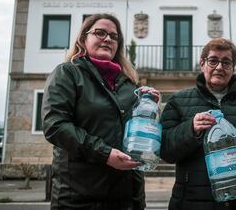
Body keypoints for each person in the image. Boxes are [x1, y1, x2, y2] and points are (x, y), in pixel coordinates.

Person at [42, 13, 160, 210]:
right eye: (100, 33)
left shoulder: (129, 85)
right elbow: (55, 125)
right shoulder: (67, 73)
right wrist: (105, 154)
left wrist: (148, 107)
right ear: (83, 38)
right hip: (80, 198)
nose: (107, 39)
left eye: (114, 36)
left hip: (127, 199)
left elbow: (136, 136)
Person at [160, 38, 236, 210]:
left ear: (233, 68)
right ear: (202, 63)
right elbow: (165, 150)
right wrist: (190, 129)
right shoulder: (178, 101)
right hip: (191, 203)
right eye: (213, 61)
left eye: (226, 62)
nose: (219, 67)